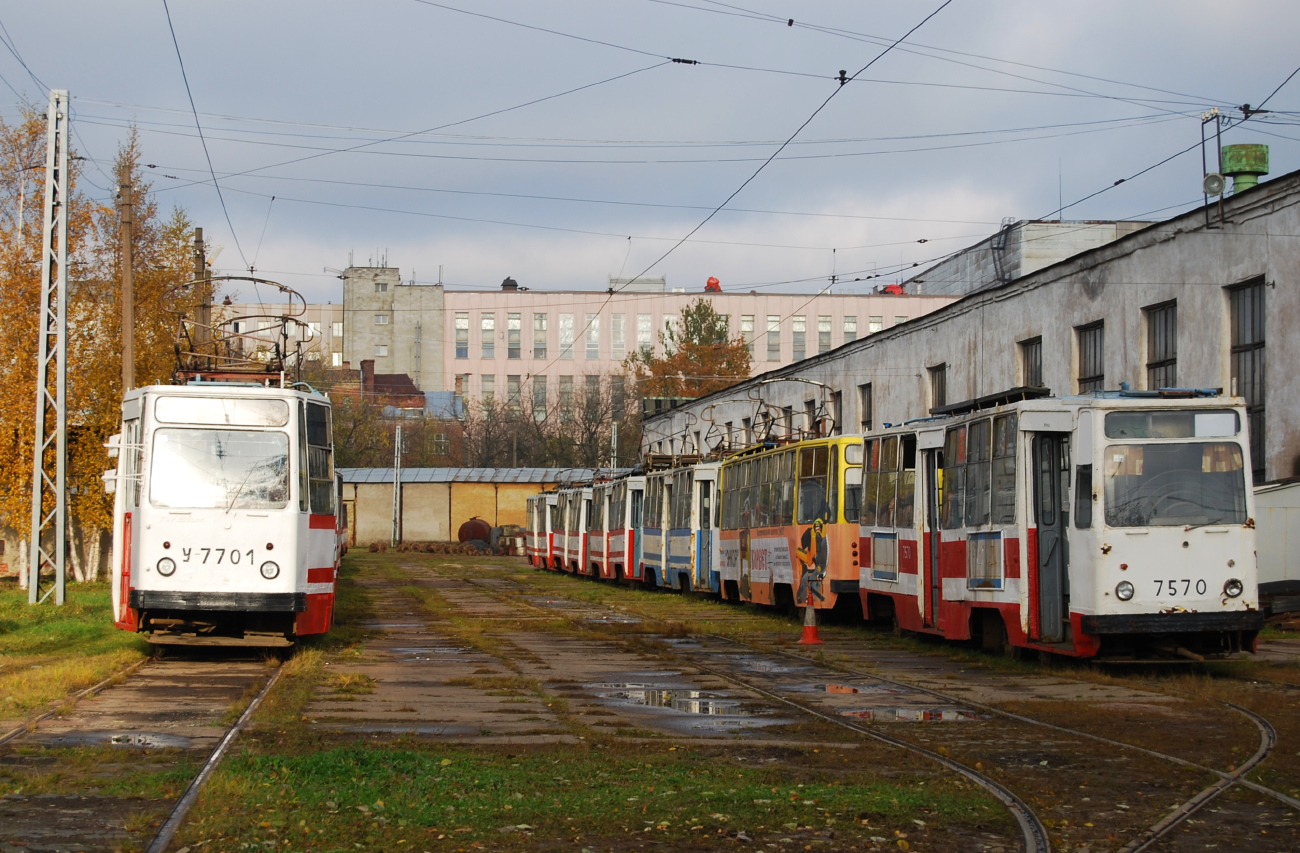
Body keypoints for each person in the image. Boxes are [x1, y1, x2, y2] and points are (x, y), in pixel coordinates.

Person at [795, 517, 828, 606]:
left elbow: (816, 550)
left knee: (798, 553)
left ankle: (802, 593)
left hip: (815, 560)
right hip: (815, 560)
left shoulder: (815, 531)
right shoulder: (821, 529)